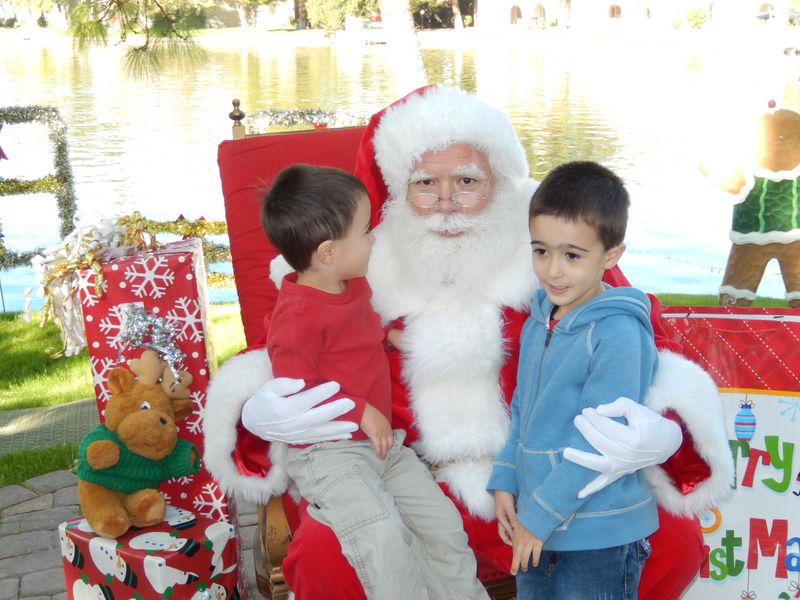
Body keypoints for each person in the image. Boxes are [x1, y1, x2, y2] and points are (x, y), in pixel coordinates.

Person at [204, 85, 734, 600]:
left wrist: (670, 430)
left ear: (499, 182)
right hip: (405, 478)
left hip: (545, 474)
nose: (445, 204)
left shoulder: (550, 251)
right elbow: (284, 354)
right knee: (326, 558)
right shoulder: (353, 265)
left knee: (670, 542)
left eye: (467, 180)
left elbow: (650, 344)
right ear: (395, 191)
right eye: (424, 184)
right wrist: (255, 412)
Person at [256, 163, 488, 600]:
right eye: (364, 232)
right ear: (327, 252)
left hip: (383, 446)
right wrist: (360, 410)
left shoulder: (352, 285)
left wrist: (387, 337)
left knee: (442, 526)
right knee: (381, 536)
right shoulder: (296, 319)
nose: (373, 238)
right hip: (330, 454)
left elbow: (351, 340)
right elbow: (297, 392)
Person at [488, 161, 659, 599]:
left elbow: (602, 442)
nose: (553, 271)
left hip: (597, 535)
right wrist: (506, 477)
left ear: (612, 255)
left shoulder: (617, 332)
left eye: (572, 255)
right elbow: (524, 408)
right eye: (540, 251)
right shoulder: (539, 319)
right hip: (539, 523)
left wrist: (539, 515)